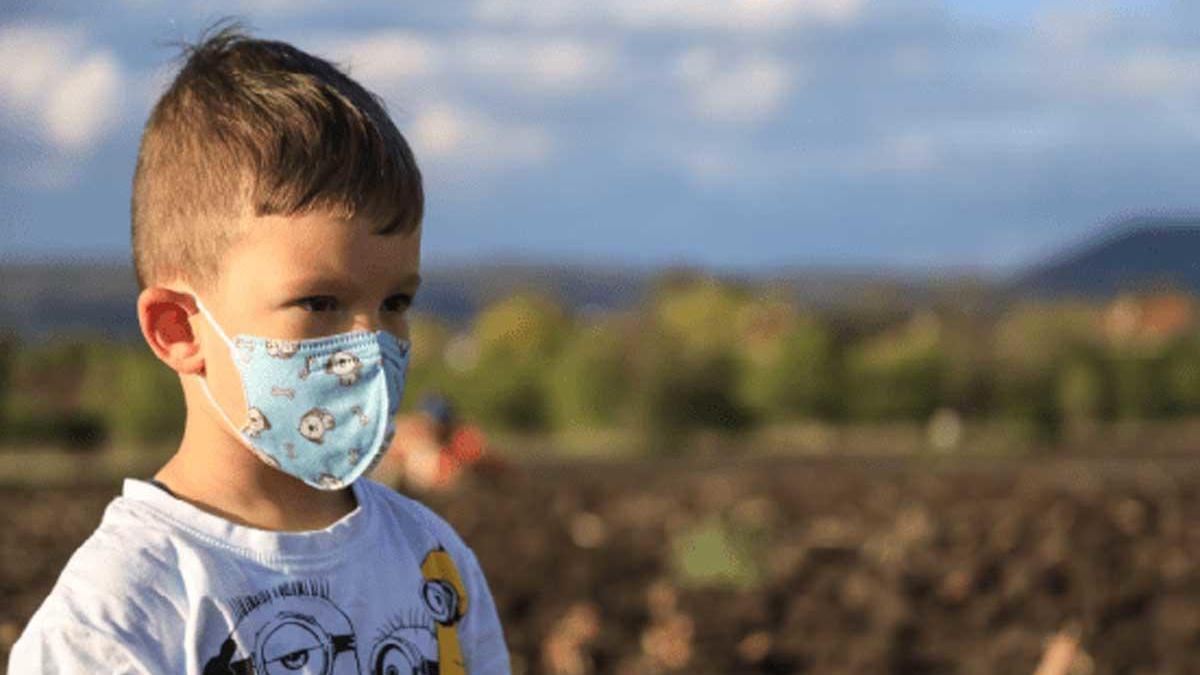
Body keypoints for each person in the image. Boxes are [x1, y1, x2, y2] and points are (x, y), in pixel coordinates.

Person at [8, 22, 510, 674]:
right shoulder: (122, 615)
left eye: (395, 302)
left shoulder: (435, 563)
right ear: (179, 330)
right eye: (320, 303)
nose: (372, 342)